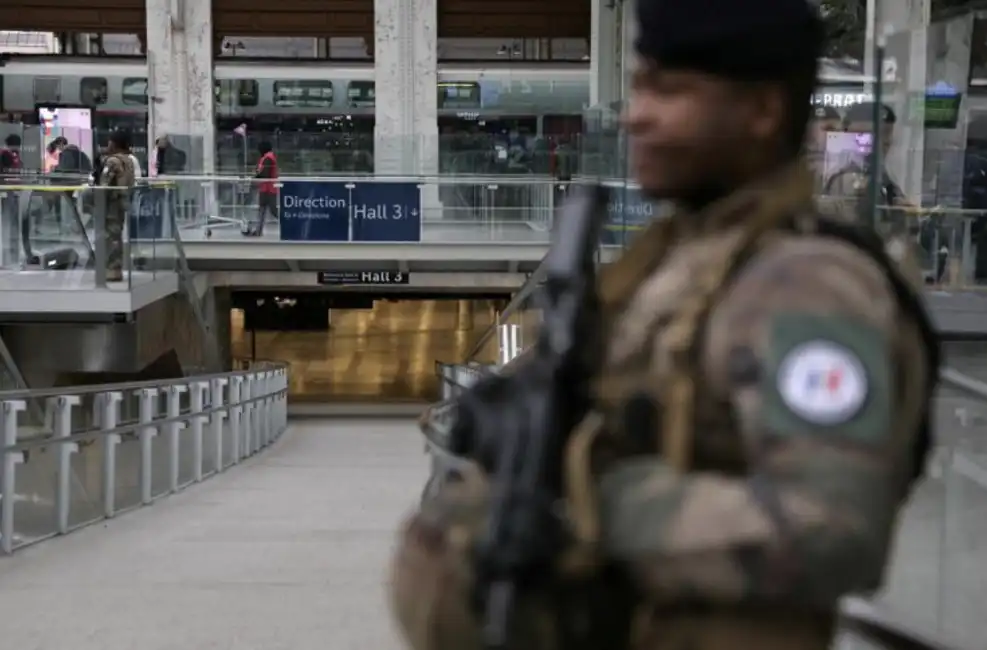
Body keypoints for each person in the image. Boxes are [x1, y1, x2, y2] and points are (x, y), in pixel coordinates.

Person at [388, 1, 940, 650]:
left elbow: (833, 531)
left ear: (762, 111)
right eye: (639, 86)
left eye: (669, 91)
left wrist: (582, 508)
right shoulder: (673, 263)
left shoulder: (807, 287)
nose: (635, 115)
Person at [98, 131, 136, 282]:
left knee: (109, 235)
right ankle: (116, 268)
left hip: (111, 203)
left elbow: (104, 184)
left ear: (113, 143)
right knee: (117, 234)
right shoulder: (129, 160)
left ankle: (111, 268)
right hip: (123, 201)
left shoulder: (112, 161)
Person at [245, 141, 278, 237]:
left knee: (273, 211)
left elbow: (265, 174)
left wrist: (255, 177)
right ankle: (258, 231)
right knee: (262, 210)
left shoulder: (268, 158)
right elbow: (261, 171)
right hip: (265, 188)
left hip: (269, 189)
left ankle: (288, 225)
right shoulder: (265, 158)